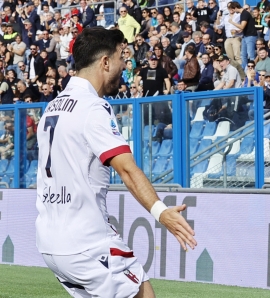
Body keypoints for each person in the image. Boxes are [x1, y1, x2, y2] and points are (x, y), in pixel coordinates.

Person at [35, 28, 196, 297]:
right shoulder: (93, 107)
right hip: (86, 240)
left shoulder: (52, 107)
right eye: (122, 57)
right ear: (105, 62)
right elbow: (127, 169)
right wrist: (160, 212)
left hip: (50, 242)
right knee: (145, 294)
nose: (125, 66)